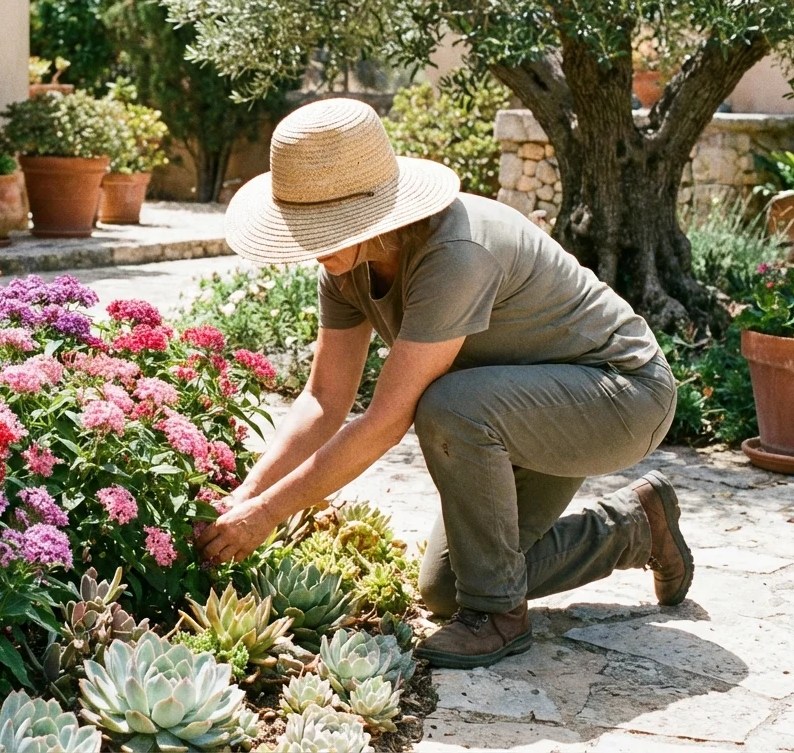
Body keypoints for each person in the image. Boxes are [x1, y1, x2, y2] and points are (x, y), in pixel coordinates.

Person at [195, 98, 692, 669]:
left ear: (370, 212)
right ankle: (635, 528)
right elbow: (322, 400)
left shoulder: (455, 252)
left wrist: (265, 517)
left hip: (618, 395)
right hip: (520, 407)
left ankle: (501, 620)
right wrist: (245, 496)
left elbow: (386, 419)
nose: (312, 243)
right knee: (449, 589)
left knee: (447, 407)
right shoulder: (345, 264)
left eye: (322, 228)